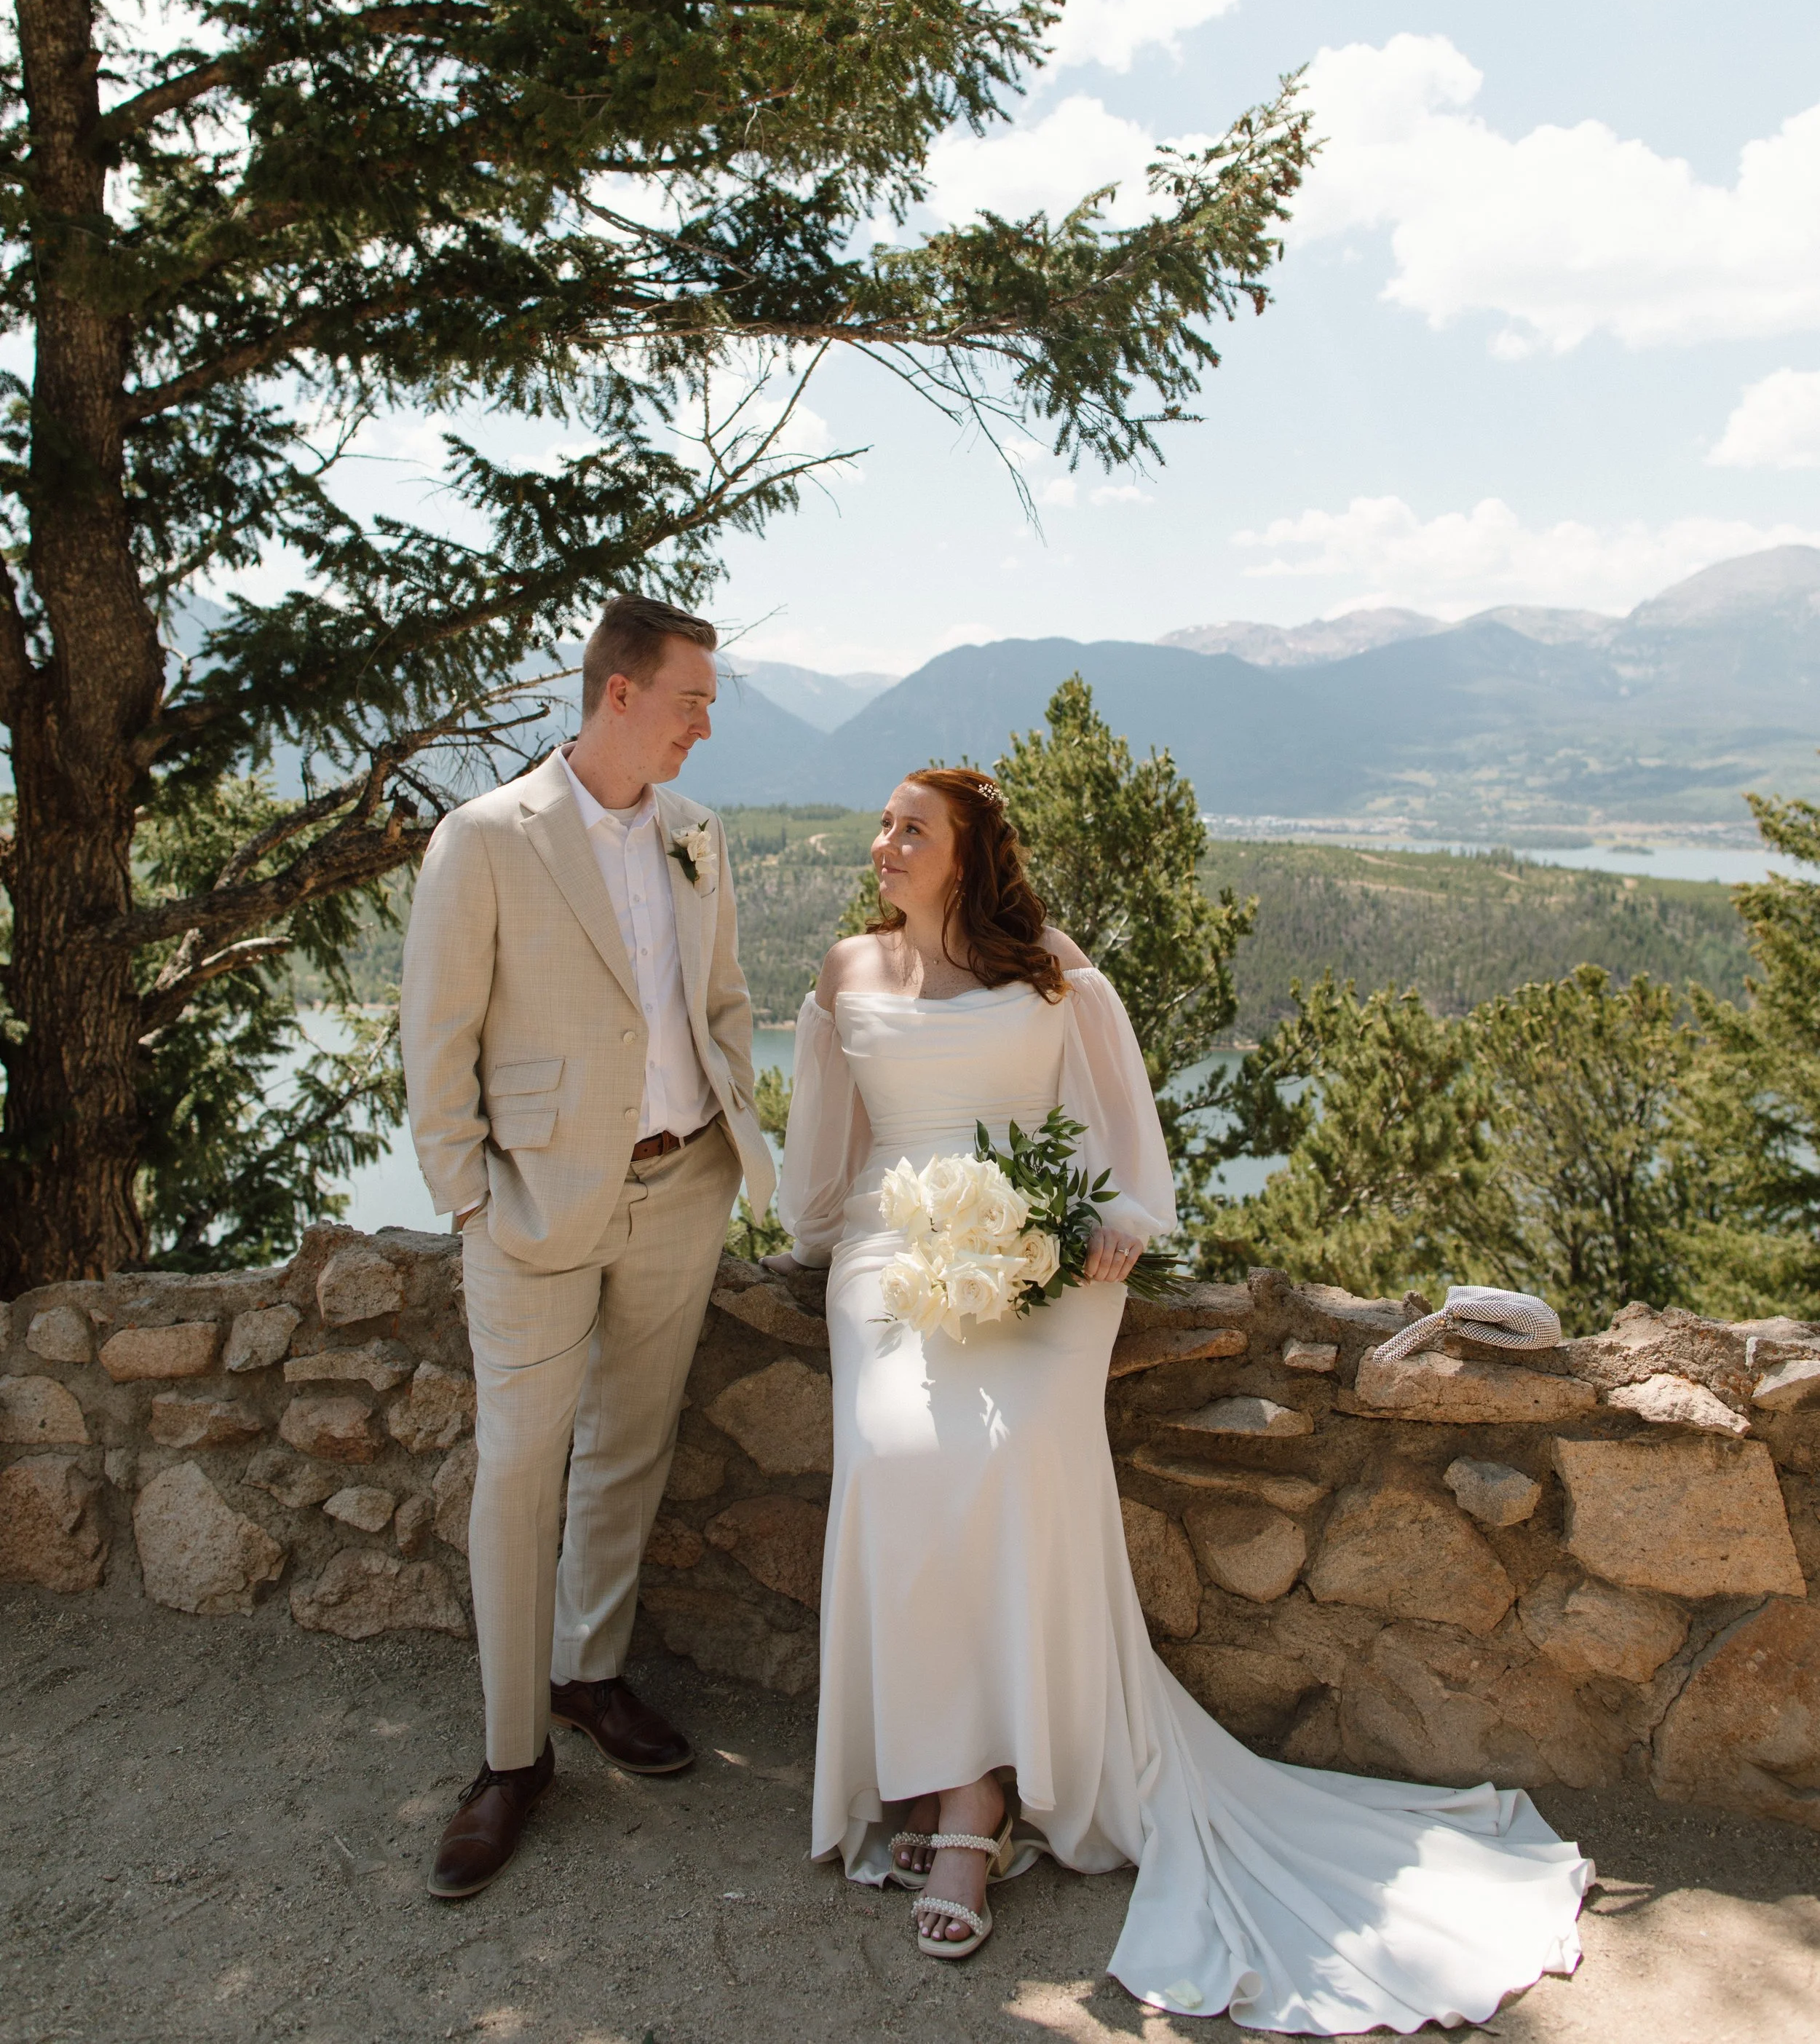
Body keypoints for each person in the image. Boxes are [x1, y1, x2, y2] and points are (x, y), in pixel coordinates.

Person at [776, 766, 1588, 2032]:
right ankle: (938, 1775)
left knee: (1020, 1457)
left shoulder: (1049, 965)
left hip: (1039, 1253)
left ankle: (985, 1800)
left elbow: (1114, 1131)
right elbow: (822, 1162)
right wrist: (847, 1243)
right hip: (891, 1258)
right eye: (880, 823)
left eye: (909, 829)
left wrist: (1105, 1223)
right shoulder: (844, 972)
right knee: (894, 1456)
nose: (881, 843)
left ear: (968, 853)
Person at [401, 593, 772, 1900]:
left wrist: (733, 1132)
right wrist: (469, 1201)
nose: (706, 725)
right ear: (620, 692)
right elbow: (435, 1043)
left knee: (633, 1444)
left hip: (684, 1189)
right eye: (692, 701)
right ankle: (511, 1760)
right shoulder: (485, 840)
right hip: (533, 1212)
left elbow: (720, 1001)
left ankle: (589, 1673)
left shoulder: (695, 835)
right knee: (518, 1471)